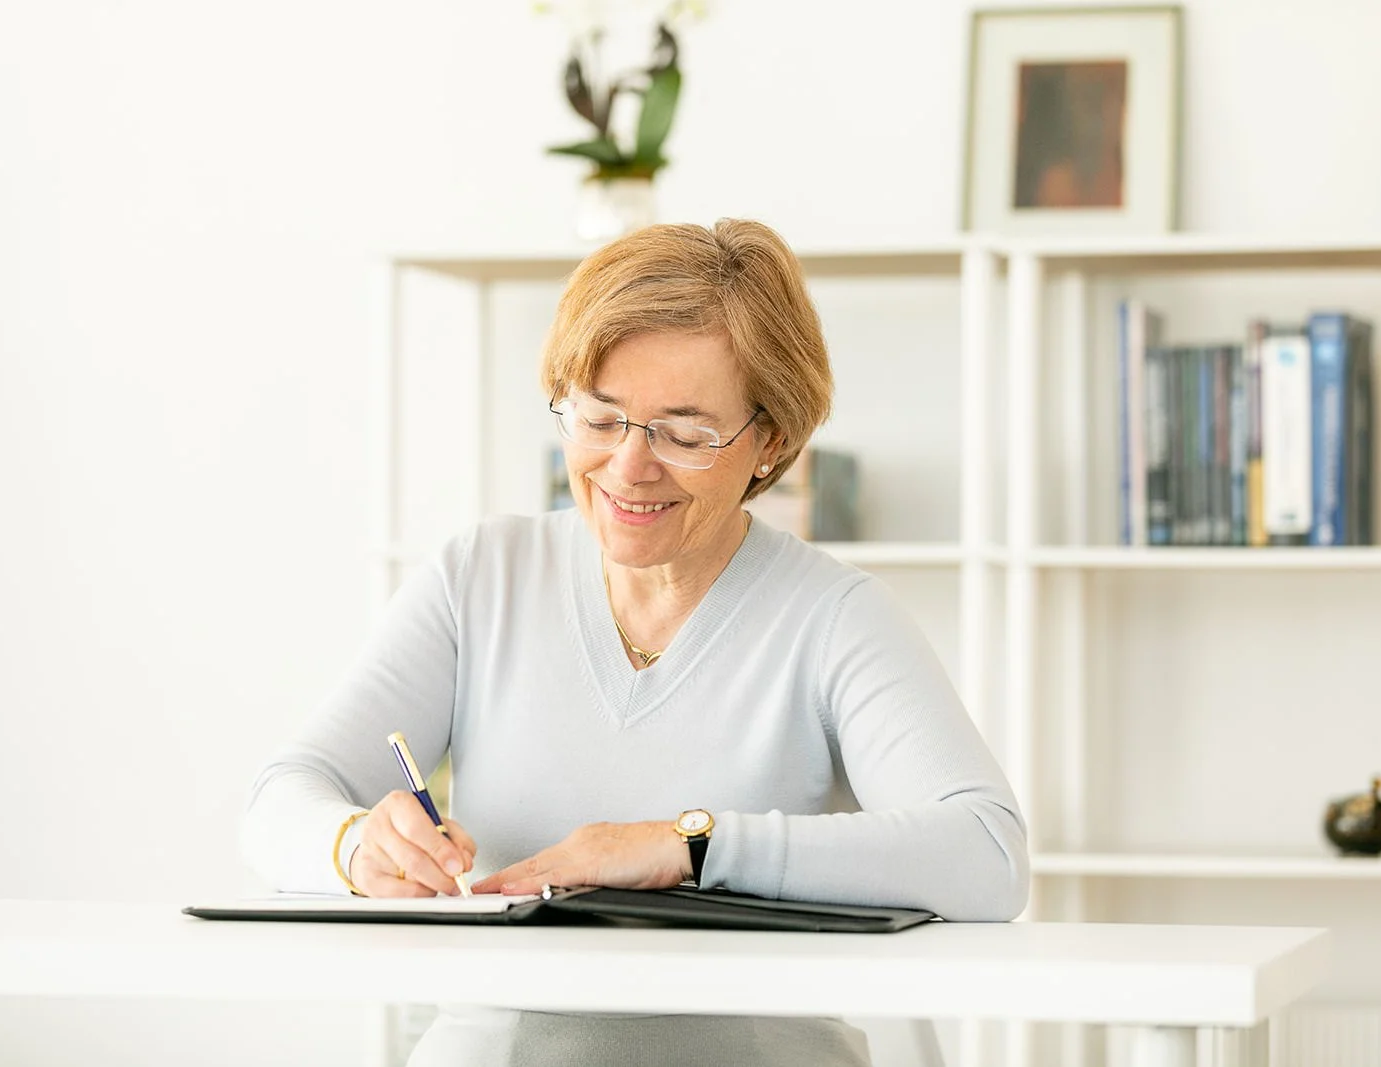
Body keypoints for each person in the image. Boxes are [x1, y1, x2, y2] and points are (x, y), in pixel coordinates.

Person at [240, 218, 1029, 1067]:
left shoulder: (834, 618)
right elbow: (281, 797)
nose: (628, 466)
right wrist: (357, 845)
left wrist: (690, 845)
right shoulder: (481, 577)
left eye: (684, 433)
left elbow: (985, 853)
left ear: (770, 442)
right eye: (599, 418)